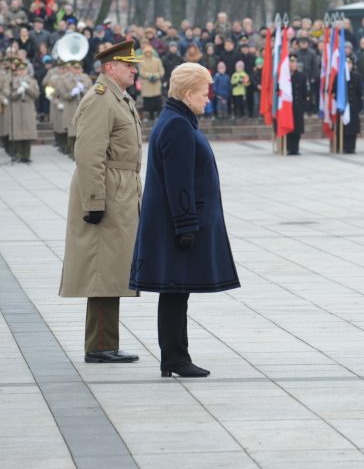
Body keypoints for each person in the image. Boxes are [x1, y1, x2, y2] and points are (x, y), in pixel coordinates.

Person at [129, 63, 240, 378]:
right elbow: (179, 183)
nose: (208, 99)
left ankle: (176, 356)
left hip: (175, 223)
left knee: (177, 291)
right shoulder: (178, 125)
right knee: (175, 290)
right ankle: (175, 358)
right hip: (176, 225)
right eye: (204, 93)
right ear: (188, 93)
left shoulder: (178, 119)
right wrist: (187, 224)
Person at [59, 40, 143, 364]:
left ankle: (104, 342)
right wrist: (94, 200)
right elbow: (89, 153)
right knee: (103, 268)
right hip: (107, 190)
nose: (134, 70)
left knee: (112, 269)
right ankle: (99, 345)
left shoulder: (118, 98)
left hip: (120, 188)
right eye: (128, 65)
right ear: (110, 67)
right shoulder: (101, 100)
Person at [3, 59, 39, 163]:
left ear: (27, 71)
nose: (22, 72)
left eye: (24, 70)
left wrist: (27, 88)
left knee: (28, 133)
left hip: (28, 107)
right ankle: (19, 155)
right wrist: (18, 92)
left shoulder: (32, 81)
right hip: (16, 107)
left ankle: (26, 156)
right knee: (18, 132)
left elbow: (36, 95)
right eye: (20, 70)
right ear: (17, 71)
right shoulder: (11, 81)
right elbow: (8, 94)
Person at [286, 55, 307, 155]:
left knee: (297, 128)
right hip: (287, 107)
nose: (292, 64)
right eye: (290, 62)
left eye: (294, 62)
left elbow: (304, 92)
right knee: (288, 127)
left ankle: (296, 148)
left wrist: (304, 105)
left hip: (298, 106)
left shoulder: (301, 76)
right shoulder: (284, 76)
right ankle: (289, 148)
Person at [138, 45, 165, 122]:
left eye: (149, 52)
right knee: (148, 101)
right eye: (146, 52)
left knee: (158, 100)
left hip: (156, 83)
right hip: (147, 84)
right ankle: (150, 116)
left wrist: (156, 76)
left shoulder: (157, 61)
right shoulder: (142, 62)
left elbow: (161, 71)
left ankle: (158, 115)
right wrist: (149, 76)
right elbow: (141, 72)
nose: (148, 54)